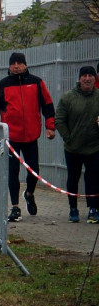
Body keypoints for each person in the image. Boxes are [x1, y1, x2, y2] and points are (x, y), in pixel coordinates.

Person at [0, 52, 56, 222]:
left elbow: (48, 105)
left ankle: (29, 193)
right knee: (13, 171)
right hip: (11, 138)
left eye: (19, 63)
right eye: (13, 63)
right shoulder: (2, 85)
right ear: (9, 66)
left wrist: (50, 127)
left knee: (34, 170)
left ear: (25, 65)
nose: (16, 66)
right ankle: (15, 207)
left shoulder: (37, 83)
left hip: (31, 136)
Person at [55, 66, 99, 223]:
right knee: (73, 178)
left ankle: (93, 209)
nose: (87, 78)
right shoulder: (68, 98)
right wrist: (69, 138)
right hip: (73, 148)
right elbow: (59, 120)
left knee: (93, 178)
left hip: (94, 147)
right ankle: (73, 208)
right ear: (79, 79)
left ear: (95, 78)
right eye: (84, 76)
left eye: (90, 76)